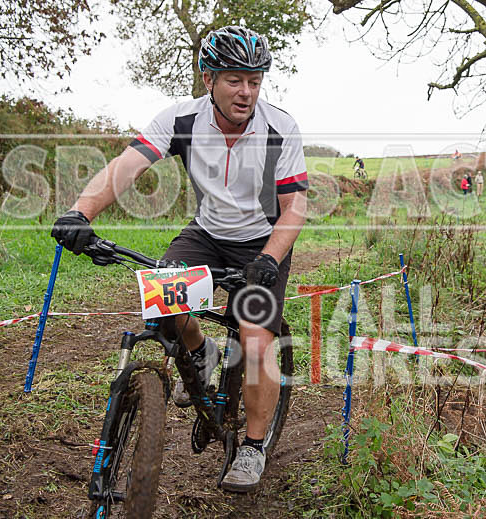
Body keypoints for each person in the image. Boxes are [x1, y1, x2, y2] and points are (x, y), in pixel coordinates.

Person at [50, 26, 308, 493]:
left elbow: (294, 209)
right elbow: (126, 167)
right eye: (234, 79)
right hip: (206, 234)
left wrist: (269, 258)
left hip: (262, 243)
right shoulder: (181, 119)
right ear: (208, 78)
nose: (246, 91)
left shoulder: (280, 127)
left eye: (254, 80)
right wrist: (80, 212)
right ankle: (201, 352)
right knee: (162, 305)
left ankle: (252, 446)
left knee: (254, 340)